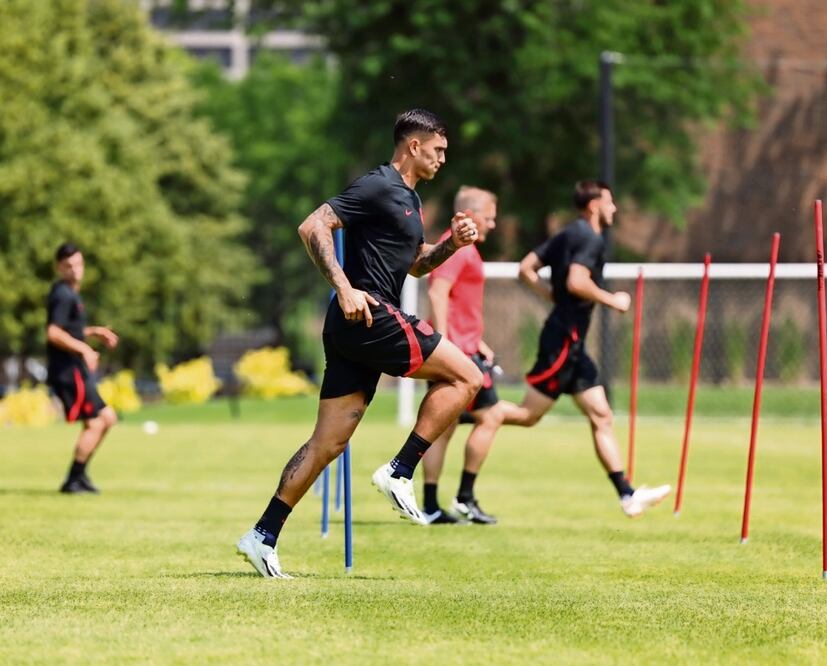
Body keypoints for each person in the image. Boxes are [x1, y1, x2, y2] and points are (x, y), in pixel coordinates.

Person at [237, 109, 484, 578]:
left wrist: (453, 243)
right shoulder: (377, 185)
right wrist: (344, 287)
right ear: (414, 145)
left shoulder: (410, 198)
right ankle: (400, 470)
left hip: (355, 325)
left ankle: (262, 535)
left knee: (327, 443)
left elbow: (416, 265)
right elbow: (312, 226)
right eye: (438, 150)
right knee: (468, 377)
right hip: (368, 314)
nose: (443, 159)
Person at [513, 180, 671, 517]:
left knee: (602, 415)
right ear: (594, 205)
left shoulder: (567, 233)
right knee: (527, 416)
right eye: (610, 202)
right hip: (562, 341)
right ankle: (467, 412)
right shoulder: (590, 237)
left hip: (573, 343)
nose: (614, 208)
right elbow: (576, 281)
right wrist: (612, 300)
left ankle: (627, 495)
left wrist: (552, 297)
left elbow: (526, 268)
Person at [421, 186, 531, 525]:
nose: (493, 225)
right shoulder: (457, 247)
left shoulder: (461, 247)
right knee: (491, 416)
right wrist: (444, 345)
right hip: (457, 354)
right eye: (490, 218)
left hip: (465, 348)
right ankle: (463, 499)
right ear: (470, 215)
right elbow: (438, 293)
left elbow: (457, 301)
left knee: (444, 427)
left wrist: (477, 340)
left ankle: (430, 506)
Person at [46, 243, 119, 494]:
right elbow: (53, 333)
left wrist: (93, 332)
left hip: (75, 369)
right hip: (68, 371)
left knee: (108, 418)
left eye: (78, 264)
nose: (75, 270)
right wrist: (84, 349)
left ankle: (79, 475)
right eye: (68, 266)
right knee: (96, 423)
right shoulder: (63, 295)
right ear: (59, 267)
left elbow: (69, 330)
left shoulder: (70, 294)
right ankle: (73, 480)